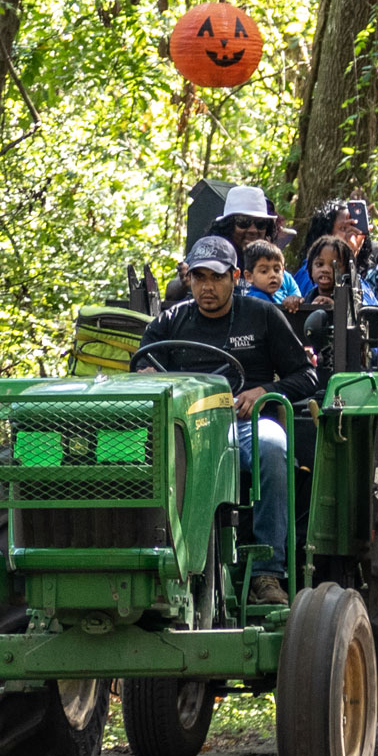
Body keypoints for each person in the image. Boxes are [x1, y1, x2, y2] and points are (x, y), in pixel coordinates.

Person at [136, 237, 320, 605]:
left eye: (217, 277)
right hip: (184, 427)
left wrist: (263, 390)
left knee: (273, 446)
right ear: (188, 279)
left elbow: (307, 376)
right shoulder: (170, 321)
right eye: (199, 277)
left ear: (236, 277)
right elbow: (141, 369)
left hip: (243, 425)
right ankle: (147, 560)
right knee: (128, 451)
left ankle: (268, 573)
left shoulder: (263, 315)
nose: (207, 286)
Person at [213, 185, 303, 312]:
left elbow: (297, 295)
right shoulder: (213, 257)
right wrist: (182, 283)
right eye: (243, 222)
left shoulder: (280, 273)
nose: (253, 230)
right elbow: (179, 288)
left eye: (260, 223)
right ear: (228, 226)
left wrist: (295, 300)